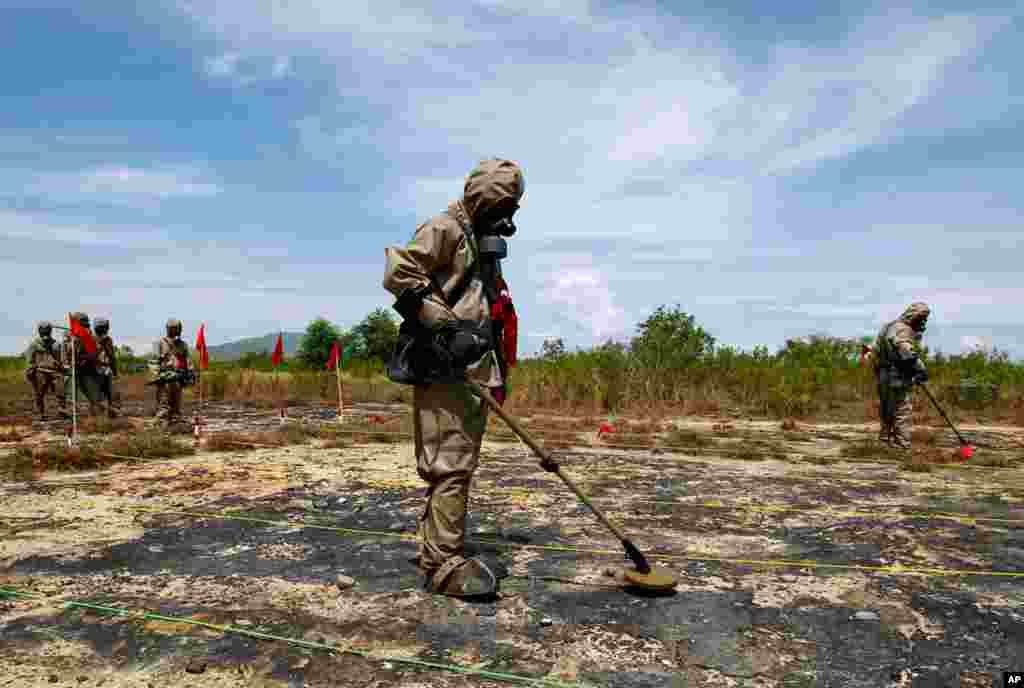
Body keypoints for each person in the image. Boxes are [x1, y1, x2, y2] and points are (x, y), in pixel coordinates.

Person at [383, 158, 524, 598]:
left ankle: (438, 548)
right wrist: (445, 327)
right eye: (504, 208)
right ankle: (443, 565)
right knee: (451, 465)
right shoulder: (445, 229)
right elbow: (399, 271)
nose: (509, 221)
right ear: (485, 200)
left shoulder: (479, 242)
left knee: (459, 463)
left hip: (474, 371)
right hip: (446, 369)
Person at [873, 303, 930, 450]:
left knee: (887, 410)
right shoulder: (903, 329)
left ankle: (884, 442)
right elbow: (907, 352)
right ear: (914, 316)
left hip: (883, 375)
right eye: (922, 318)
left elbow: (875, 351)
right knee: (902, 410)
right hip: (897, 376)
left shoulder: (888, 327)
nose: (923, 322)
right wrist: (921, 369)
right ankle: (902, 445)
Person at [151, 318, 192, 428]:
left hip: (178, 377)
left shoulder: (183, 345)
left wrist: (189, 375)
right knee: (164, 403)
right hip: (164, 378)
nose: (176, 331)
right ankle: (161, 422)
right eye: (174, 328)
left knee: (176, 403)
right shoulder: (160, 343)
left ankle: (175, 420)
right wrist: (156, 376)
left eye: (177, 329)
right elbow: (154, 361)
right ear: (169, 329)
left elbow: (187, 361)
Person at [62, 312, 103, 417]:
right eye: (83, 321)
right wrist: (66, 363)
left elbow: (96, 351)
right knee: (70, 390)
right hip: (72, 367)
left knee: (93, 392)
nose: (85, 323)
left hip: (87, 367)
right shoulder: (69, 334)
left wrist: (87, 358)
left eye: (86, 321)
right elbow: (65, 351)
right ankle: (71, 411)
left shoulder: (90, 335)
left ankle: (97, 411)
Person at [24, 321, 67, 420]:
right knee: (39, 394)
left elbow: (62, 359)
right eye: (43, 331)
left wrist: (62, 366)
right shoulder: (34, 344)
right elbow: (29, 360)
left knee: (60, 391)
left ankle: (62, 411)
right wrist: (31, 370)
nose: (45, 333)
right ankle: (40, 413)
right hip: (40, 371)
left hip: (55, 372)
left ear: (50, 331)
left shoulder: (56, 344)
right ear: (40, 331)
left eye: (47, 331)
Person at [94, 318, 121, 419]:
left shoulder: (91, 339)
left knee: (98, 394)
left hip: (95, 370)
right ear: (105, 328)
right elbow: (111, 356)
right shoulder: (107, 340)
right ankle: (111, 414)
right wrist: (115, 371)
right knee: (111, 394)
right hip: (106, 369)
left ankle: (100, 416)